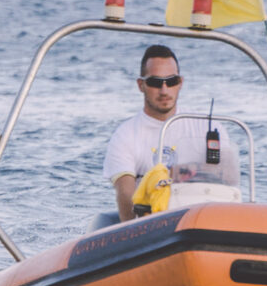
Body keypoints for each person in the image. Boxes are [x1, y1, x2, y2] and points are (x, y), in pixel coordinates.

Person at [102, 44, 242, 221]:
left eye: (171, 81)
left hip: (205, 218)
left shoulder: (208, 127)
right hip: (154, 223)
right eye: (155, 82)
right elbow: (126, 193)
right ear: (141, 85)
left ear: (180, 83)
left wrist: (177, 173)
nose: (164, 90)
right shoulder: (125, 135)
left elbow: (229, 176)